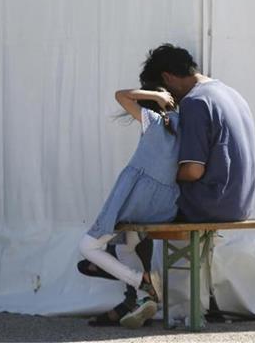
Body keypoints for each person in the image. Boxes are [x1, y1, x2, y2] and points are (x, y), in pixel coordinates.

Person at [77, 84, 180, 328]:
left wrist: (155, 95)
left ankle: (142, 280)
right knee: (126, 245)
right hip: (163, 205)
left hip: (138, 198)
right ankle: (144, 297)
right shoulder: (183, 126)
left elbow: (120, 95)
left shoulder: (153, 122)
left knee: (88, 246)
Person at [139, 43, 255, 222]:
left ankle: (113, 250)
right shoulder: (233, 94)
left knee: (131, 211)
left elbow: (193, 171)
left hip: (210, 205)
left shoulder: (195, 101)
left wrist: (158, 172)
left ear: (167, 78)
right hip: (241, 206)